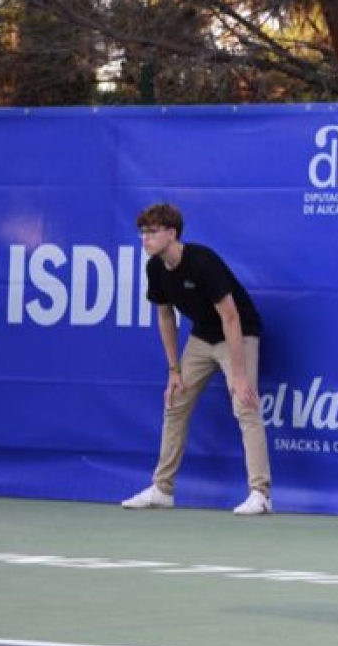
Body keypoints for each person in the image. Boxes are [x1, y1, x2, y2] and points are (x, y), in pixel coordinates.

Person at [120, 203, 273, 516]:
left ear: (172, 233)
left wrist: (239, 374)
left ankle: (261, 494)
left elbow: (231, 317)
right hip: (203, 336)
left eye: (152, 232)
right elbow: (165, 317)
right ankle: (162, 489)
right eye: (142, 233)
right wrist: (174, 370)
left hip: (239, 332)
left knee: (245, 403)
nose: (144, 238)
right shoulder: (154, 269)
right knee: (175, 400)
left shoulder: (203, 262)